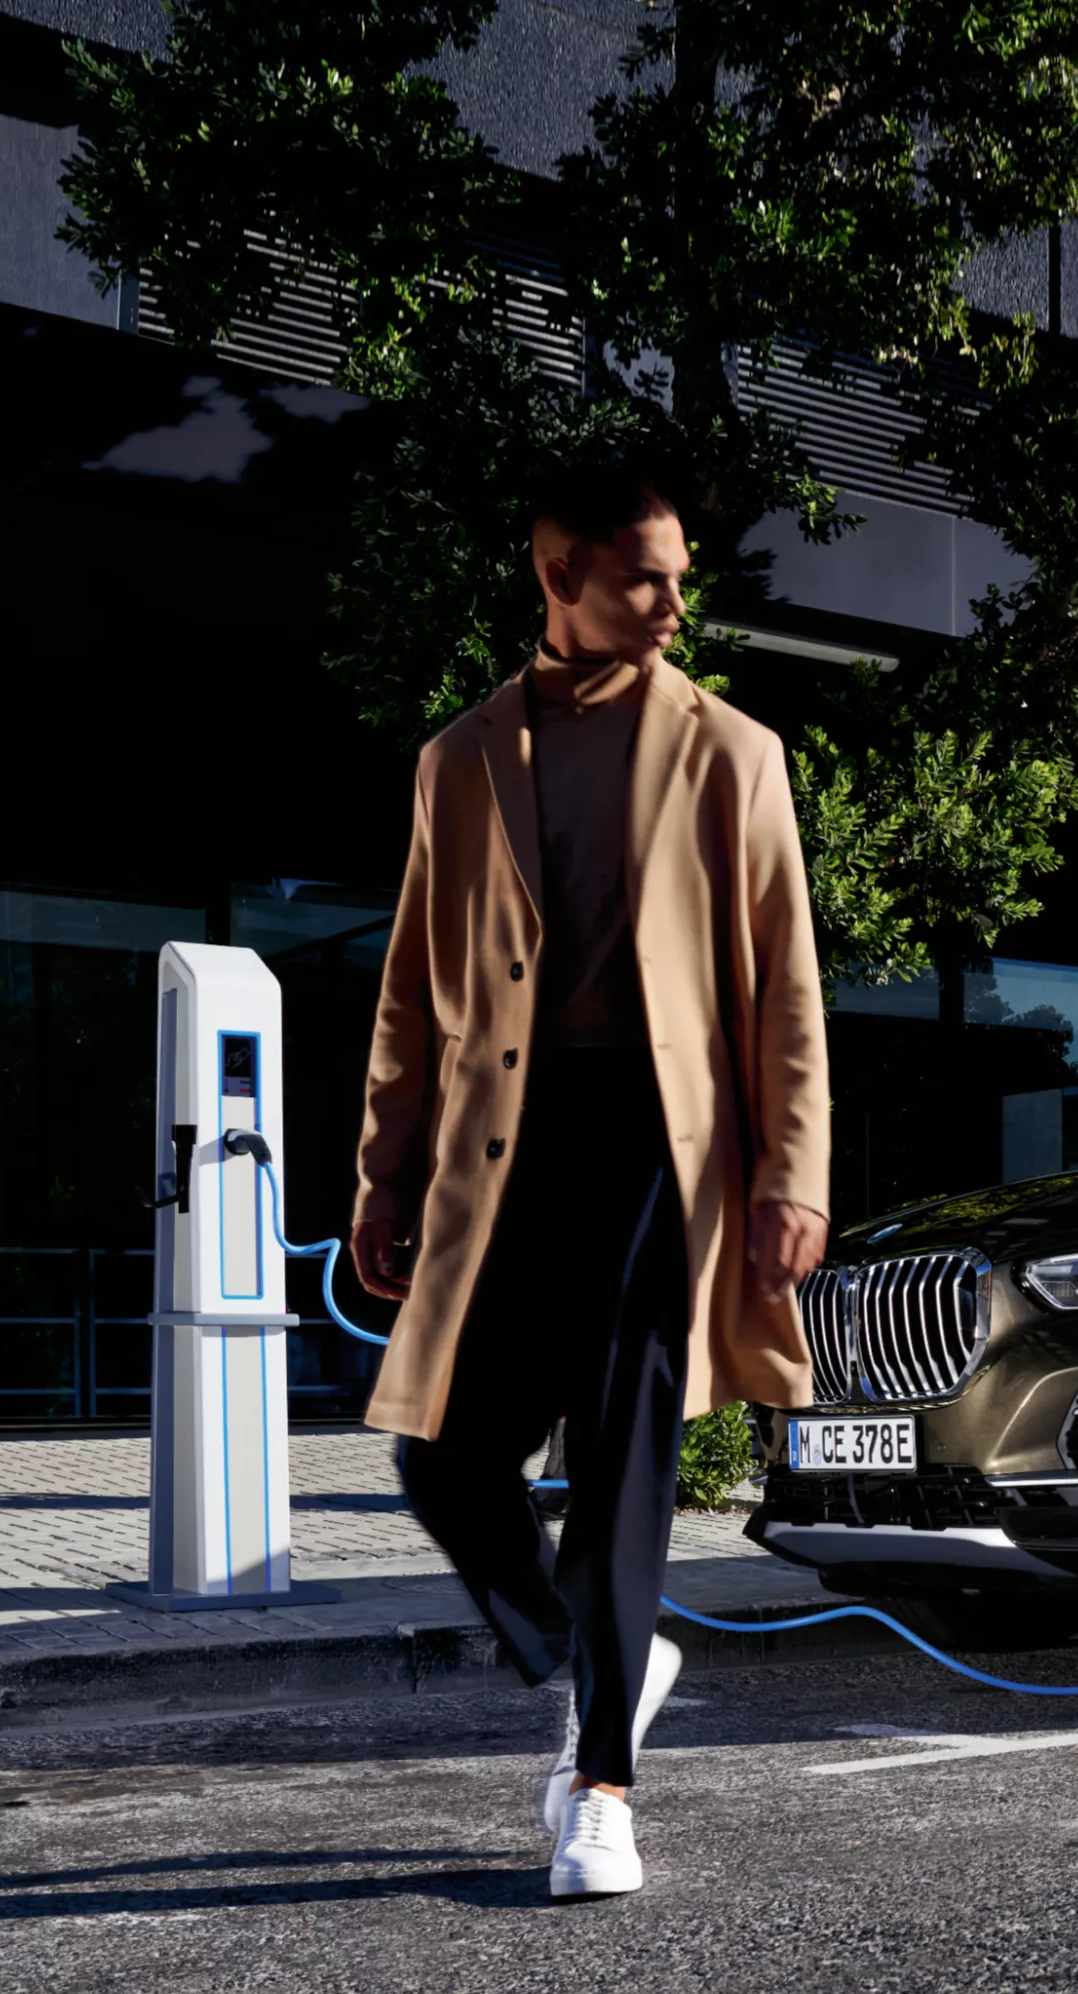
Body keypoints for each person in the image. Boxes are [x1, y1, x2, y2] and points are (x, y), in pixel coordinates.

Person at [348, 466, 830, 1900]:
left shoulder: (734, 755)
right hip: (501, 1159)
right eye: (646, 579)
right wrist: (385, 1172)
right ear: (557, 574)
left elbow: (789, 990)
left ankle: (601, 1788)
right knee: (440, 1456)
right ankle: (593, 1660)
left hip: (655, 1154)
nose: (679, 604)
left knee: (622, 1470)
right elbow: (411, 989)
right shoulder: (461, 759)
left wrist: (793, 1172)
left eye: (683, 575)